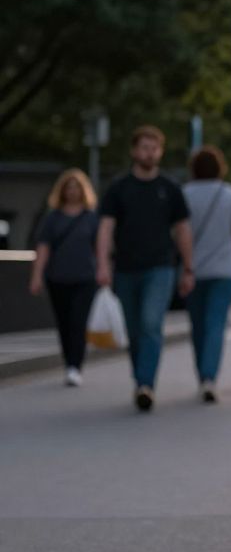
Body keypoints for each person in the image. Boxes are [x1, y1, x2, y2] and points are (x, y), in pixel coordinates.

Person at [96, 126, 192, 411]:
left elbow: (183, 229)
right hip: (125, 268)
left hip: (160, 267)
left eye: (154, 148)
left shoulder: (170, 189)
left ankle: (145, 383)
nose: (149, 153)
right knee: (134, 329)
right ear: (134, 151)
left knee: (151, 323)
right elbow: (105, 228)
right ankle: (140, 377)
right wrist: (102, 264)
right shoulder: (119, 188)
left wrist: (189, 267)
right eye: (144, 147)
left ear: (160, 152)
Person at [180, 147, 231, 403]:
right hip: (225, 270)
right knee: (215, 325)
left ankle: (202, 374)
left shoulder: (184, 194)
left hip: (193, 270)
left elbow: (178, 233)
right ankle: (210, 377)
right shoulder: (230, 195)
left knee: (197, 325)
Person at [28, 170, 101, 386]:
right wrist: (36, 275)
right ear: (62, 191)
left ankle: (75, 366)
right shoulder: (53, 218)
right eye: (69, 188)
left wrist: (103, 270)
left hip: (85, 277)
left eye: (76, 188)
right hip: (58, 277)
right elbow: (43, 247)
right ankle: (69, 361)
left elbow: (100, 247)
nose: (72, 192)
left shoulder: (91, 218)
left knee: (78, 322)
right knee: (64, 323)